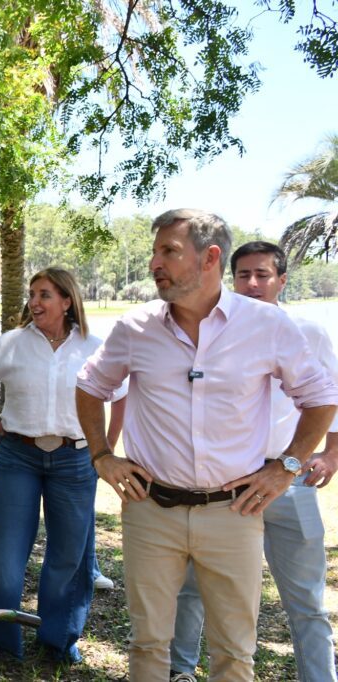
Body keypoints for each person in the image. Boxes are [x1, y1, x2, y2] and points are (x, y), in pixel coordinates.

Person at [75, 208, 338, 681]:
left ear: (210, 257)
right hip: (151, 510)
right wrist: (102, 455)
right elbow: (91, 386)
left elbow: (320, 398)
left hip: (235, 513)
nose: (156, 262)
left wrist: (287, 466)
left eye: (169, 251)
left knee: (234, 651)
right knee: (148, 643)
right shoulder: (135, 328)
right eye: (155, 250)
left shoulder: (267, 326)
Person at [169, 240, 338, 682]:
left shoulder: (309, 333)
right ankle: (180, 672)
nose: (253, 283)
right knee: (192, 589)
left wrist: (332, 453)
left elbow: (331, 397)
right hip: (222, 484)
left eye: (263, 274)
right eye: (243, 274)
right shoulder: (210, 334)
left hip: (289, 481)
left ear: (282, 281)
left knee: (307, 602)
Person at [0, 268, 124, 663]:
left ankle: (58, 640)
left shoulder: (94, 347)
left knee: (69, 554)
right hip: (19, 456)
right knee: (3, 551)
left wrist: (105, 450)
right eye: (32, 294)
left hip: (75, 459)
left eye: (44, 295)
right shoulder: (14, 343)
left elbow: (121, 395)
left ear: (67, 301)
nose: (34, 302)